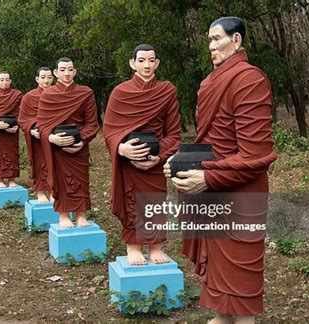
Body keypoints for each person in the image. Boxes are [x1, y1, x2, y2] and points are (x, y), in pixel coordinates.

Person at [164, 17, 276, 323]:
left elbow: (256, 154)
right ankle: (222, 317)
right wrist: (180, 165)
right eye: (209, 41)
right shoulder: (209, 82)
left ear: (236, 41)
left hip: (240, 194)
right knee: (216, 267)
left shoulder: (250, 79)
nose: (212, 46)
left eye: (217, 39)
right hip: (211, 191)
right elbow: (209, 142)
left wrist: (208, 176)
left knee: (240, 271)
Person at [103, 44, 181, 265]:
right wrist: (121, 148)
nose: (146, 65)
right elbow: (109, 131)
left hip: (154, 161)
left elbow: (174, 133)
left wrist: (160, 155)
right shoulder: (120, 92)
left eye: (151, 60)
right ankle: (133, 246)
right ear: (132, 63)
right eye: (142, 60)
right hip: (129, 162)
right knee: (131, 202)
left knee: (155, 202)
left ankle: (156, 247)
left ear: (157, 63)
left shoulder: (166, 91)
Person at [37, 57, 99, 228]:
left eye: (70, 69)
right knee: (61, 180)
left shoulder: (85, 93)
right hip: (57, 148)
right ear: (56, 73)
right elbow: (42, 125)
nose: (66, 73)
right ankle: (63, 215)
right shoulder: (48, 95)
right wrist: (52, 138)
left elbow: (92, 124)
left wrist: (82, 140)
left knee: (81, 180)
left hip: (78, 145)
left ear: (75, 71)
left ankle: (81, 215)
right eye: (62, 70)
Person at [18, 67, 54, 203]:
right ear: (37, 79)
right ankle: (40, 191)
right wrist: (30, 130)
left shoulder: (58, 95)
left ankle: (53, 191)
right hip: (37, 138)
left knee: (55, 164)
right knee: (40, 163)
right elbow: (22, 119)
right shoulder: (29, 97)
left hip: (54, 137)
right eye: (43, 77)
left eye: (49, 77)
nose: (46, 80)